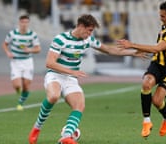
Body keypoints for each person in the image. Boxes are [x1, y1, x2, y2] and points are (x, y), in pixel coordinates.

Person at [28, 14, 147, 144]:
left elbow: (109, 50)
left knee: (79, 105)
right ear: (80, 26)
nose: (90, 34)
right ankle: (36, 128)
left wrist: (133, 53)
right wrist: (71, 71)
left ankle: (66, 137)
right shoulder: (60, 39)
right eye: (89, 30)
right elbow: (50, 63)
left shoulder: (88, 40)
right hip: (55, 75)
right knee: (53, 97)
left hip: (71, 78)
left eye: (92, 31)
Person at [117, 0, 166, 138]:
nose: (160, 19)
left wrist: (132, 44)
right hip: (157, 64)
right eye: (160, 15)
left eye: (163, 16)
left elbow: (156, 48)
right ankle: (146, 121)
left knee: (157, 101)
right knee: (146, 83)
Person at [2, 14, 41, 111]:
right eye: (22, 22)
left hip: (27, 61)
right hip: (16, 61)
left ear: (28, 23)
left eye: (26, 22)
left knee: (26, 85)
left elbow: (38, 49)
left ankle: (20, 103)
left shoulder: (32, 35)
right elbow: (5, 44)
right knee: (17, 85)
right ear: (19, 23)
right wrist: (8, 52)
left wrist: (30, 50)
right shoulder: (12, 34)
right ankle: (19, 91)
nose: (24, 24)